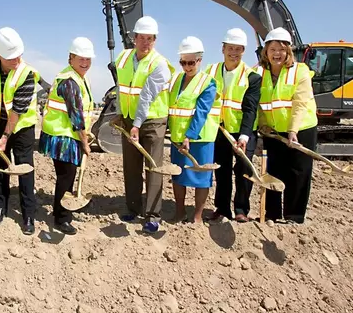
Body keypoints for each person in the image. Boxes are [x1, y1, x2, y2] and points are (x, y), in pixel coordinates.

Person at [112, 16, 174, 233]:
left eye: (150, 39)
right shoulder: (123, 58)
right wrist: (120, 114)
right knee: (131, 166)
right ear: (134, 38)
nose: (146, 42)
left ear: (155, 40)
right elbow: (121, 88)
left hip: (153, 122)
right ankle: (132, 208)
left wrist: (137, 124)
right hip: (130, 119)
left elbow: (147, 96)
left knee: (153, 167)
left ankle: (153, 215)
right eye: (142, 38)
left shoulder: (160, 64)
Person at [0, 27, 40, 235]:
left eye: (18, 55)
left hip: (21, 127)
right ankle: (0, 209)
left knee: (24, 170)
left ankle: (28, 215)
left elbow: (18, 110)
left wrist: (5, 137)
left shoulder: (27, 73)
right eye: (11, 57)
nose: (17, 60)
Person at [256, 27, 317, 224]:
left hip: (302, 129)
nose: (277, 54)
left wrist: (293, 130)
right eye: (273, 49)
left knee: (298, 172)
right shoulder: (259, 73)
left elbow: (300, 103)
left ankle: (294, 216)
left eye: (281, 50)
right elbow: (260, 105)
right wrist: (263, 125)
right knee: (274, 170)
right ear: (266, 51)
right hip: (273, 132)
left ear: (288, 51)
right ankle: (272, 214)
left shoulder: (300, 71)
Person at [39, 37, 95, 235]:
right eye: (81, 59)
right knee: (66, 177)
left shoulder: (79, 77)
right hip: (62, 137)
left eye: (88, 59)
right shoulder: (69, 81)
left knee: (68, 176)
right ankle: (61, 218)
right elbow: (75, 115)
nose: (85, 63)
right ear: (71, 57)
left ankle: (63, 210)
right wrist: (85, 141)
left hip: (69, 135)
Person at [205, 28, 261, 223]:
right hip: (219, 129)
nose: (233, 53)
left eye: (238, 49)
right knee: (222, 170)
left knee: (244, 170)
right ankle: (222, 209)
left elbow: (250, 109)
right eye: (230, 48)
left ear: (243, 51)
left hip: (243, 131)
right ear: (223, 48)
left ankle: (241, 209)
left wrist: (244, 136)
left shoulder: (252, 77)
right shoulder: (210, 71)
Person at [168, 36, 221, 223]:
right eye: (183, 62)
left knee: (201, 177)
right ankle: (179, 211)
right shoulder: (175, 80)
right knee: (178, 175)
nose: (187, 66)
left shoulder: (208, 83)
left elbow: (202, 112)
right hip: (177, 137)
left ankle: (197, 216)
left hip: (200, 138)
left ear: (200, 60)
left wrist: (189, 136)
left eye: (191, 62)